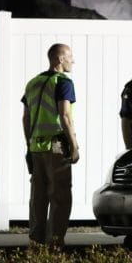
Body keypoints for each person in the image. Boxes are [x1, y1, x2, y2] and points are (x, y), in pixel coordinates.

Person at [21, 43, 80, 247]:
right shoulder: (63, 82)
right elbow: (64, 115)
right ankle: (54, 245)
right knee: (60, 195)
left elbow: (26, 119)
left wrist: (29, 145)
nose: (73, 60)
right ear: (60, 59)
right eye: (70, 56)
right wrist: (74, 146)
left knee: (38, 196)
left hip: (36, 147)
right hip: (56, 146)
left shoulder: (33, 83)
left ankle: (35, 243)